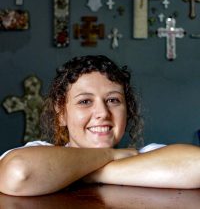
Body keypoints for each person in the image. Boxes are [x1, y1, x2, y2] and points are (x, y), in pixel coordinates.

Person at [0, 55, 200, 196]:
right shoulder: (39, 153)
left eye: (113, 100)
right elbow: (19, 173)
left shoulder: (144, 155)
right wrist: (110, 156)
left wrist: (96, 172)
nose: (103, 113)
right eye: (85, 101)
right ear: (61, 114)